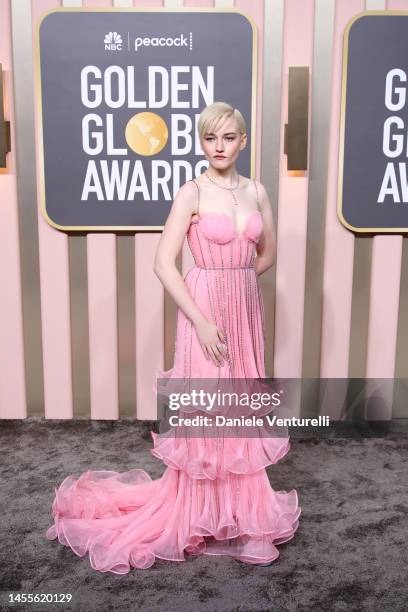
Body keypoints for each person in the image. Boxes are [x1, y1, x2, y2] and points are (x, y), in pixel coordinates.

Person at [45, 102, 301, 573]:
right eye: (210, 139)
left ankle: (243, 516)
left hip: (243, 309)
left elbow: (266, 253)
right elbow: (164, 262)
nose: (219, 147)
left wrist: (239, 282)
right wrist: (202, 319)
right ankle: (200, 514)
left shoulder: (258, 191)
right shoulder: (191, 192)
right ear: (201, 143)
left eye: (228, 137)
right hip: (201, 308)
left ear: (243, 141)